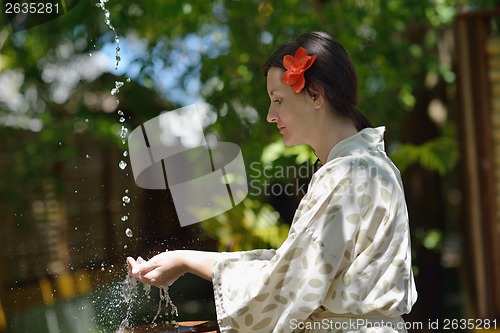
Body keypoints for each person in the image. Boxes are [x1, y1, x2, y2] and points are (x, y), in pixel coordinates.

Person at [127, 31, 417, 333]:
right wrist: (185, 259)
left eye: (278, 100)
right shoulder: (367, 165)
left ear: (315, 95)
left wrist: (186, 261)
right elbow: (290, 265)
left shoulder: (350, 174)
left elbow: (286, 284)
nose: (270, 115)